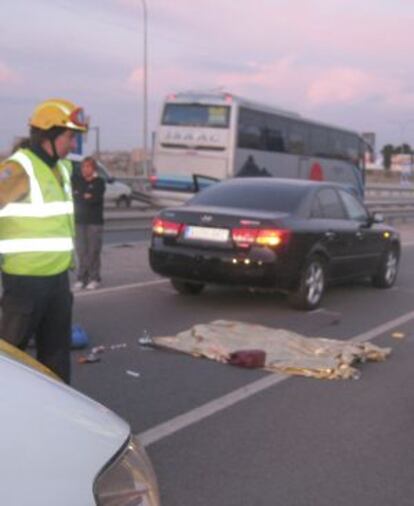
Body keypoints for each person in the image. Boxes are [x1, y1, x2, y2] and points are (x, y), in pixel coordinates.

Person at [0, 98, 89, 383]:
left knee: (56, 356)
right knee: (10, 358)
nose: (73, 145)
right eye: (69, 137)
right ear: (48, 135)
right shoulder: (19, 169)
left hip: (57, 281)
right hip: (25, 283)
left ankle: (58, 416)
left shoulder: (60, 170)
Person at [72, 156, 105, 290]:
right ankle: (81, 278)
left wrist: (83, 196)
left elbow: (94, 199)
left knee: (93, 251)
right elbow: (76, 197)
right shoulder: (77, 181)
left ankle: (94, 278)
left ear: (94, 168)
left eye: (88, 166)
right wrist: (83, 196)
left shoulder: (99, 182)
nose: (85, 169)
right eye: (83, 167)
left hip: (94, 222)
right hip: (79, 221)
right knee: (81, 252)